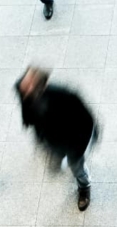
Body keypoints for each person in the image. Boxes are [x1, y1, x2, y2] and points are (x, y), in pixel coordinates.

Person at [15, 67, 97, 211]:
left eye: (29, 84)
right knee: (55, 159)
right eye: (25, 81)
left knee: (76, 165)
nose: (23, 85)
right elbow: (26, 107)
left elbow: (86, 118)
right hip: (50, 138)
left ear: (42, 86)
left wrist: (82, 144)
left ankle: (84, 186)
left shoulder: (64, 95)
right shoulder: (22, 90)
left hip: (71, 140)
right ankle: (59, 160)